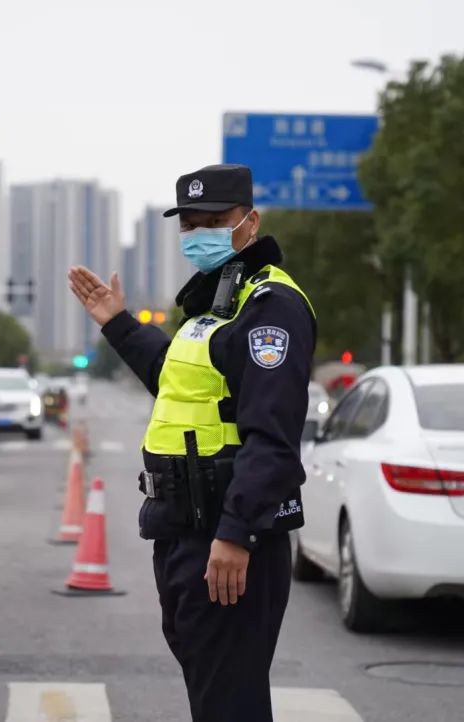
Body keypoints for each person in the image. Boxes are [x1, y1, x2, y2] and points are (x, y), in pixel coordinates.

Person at [67, 164, 316, 722]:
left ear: (249, 224)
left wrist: (237, 533)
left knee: (228, 703)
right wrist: (118, 323)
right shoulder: (213, 306)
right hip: (185, 532)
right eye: (190, 224)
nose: (199, 233)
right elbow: (176, 380)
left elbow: (272, 438)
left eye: (215, 221)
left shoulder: (268, 306)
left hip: (224, 540)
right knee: (216, 694)